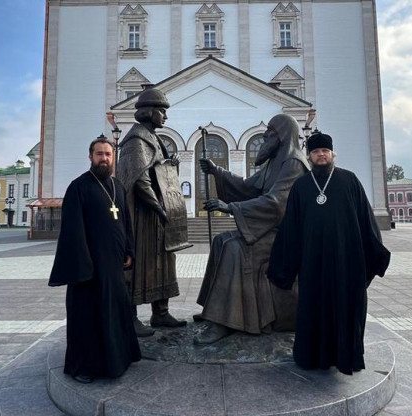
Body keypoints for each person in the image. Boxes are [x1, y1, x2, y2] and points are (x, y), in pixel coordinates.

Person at [267, 131, 391, 375]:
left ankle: (346, 357)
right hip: (312, 262)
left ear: (333, 153)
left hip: (348, 261)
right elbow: (291, 227)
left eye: (324, 151)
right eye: (315, 152)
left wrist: (374, 254)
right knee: (313, 307)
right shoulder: (301, 186)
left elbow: (366, 220)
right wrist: (283, 266)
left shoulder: (349, 180)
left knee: (346, 308)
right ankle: (311, 357)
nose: (320, 155)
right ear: (309, 156)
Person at [194, 114, 309, 345]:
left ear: (282, 135)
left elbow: (276, 203)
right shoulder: (275, 162)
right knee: (220, 241)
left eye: (270, 130)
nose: (265, 134)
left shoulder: (294, 163)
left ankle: (223, 322)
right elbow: (248, 187)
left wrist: (230, 207)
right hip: (269, 230)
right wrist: (218, 172)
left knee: (235, 248)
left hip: (285, 237)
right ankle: (214, 310)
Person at [48, 137, 140, 383]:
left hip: (114, 266)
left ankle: (118, 360)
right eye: (99, 154)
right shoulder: (78, 187)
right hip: (88, 269)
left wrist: (129, 250)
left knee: (114, 313)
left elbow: (125, 222)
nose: (104, 158)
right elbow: (72, 231)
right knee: (88, 317)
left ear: (113, 157)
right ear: (90, 157)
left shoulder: (117, 187)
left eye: (108, 154)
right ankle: (84, 367)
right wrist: (83, 265)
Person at [116, 88, 191, 337]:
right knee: (140, 264)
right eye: (162, 111)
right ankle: (131, 316)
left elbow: (157, 172)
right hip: (142, 217)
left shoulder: (154, 138)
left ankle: (160, 313)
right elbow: (140, 180)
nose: (165, 117)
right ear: (148, 112)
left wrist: (171, 167)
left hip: (157, 216)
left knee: (164, 261)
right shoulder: (136, 139)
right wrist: (159, 207)